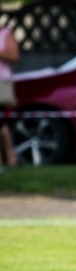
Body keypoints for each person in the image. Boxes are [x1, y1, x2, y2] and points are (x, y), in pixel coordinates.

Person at [0, 23, 19, 171]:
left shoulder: (5, 33)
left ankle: (9, 156)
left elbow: (14, 55)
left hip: (1, 82)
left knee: (2, 124)